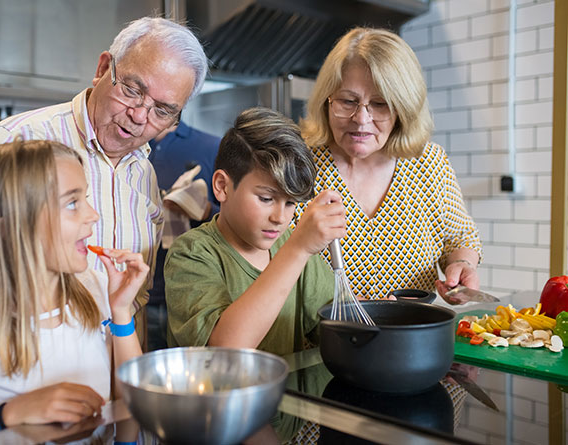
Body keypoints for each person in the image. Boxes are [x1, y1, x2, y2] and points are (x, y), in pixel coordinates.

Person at [0, 17, 207, 440]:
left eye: (162, 110)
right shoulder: (20, 141)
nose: (139, 115)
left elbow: (127, 314)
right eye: (132, 89)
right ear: (102, 69)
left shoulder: (142, 172)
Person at [0, 140, 148, 444]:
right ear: (10, 226)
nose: (93, 216)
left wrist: (121, 312)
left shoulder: (96, 287)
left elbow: (128, 405)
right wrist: (7, 417)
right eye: (72, 203)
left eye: (85, 198)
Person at [295, 27, 482, 301]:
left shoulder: (429, 163)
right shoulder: (297, 165)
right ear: (327, 100)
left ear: (403, 109)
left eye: (380, 104)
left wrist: (461, 267)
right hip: (323, 338)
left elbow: (459, 238)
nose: (361, 119)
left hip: (412, 338)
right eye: (348, 101)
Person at [165, 107, 346, 355]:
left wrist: (380, 322)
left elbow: (338, 329)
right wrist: (298, 249)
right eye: (265, 198)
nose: (280, 218)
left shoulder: (292, 247)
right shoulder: (192, 253)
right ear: (222, 187)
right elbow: (226, 349)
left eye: (291, 203)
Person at [146, 120, 221, 350]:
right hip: (132, 298)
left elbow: (236, 218)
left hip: (192, 299)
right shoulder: (128, 143)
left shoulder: (211, 147)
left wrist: (205, 209)